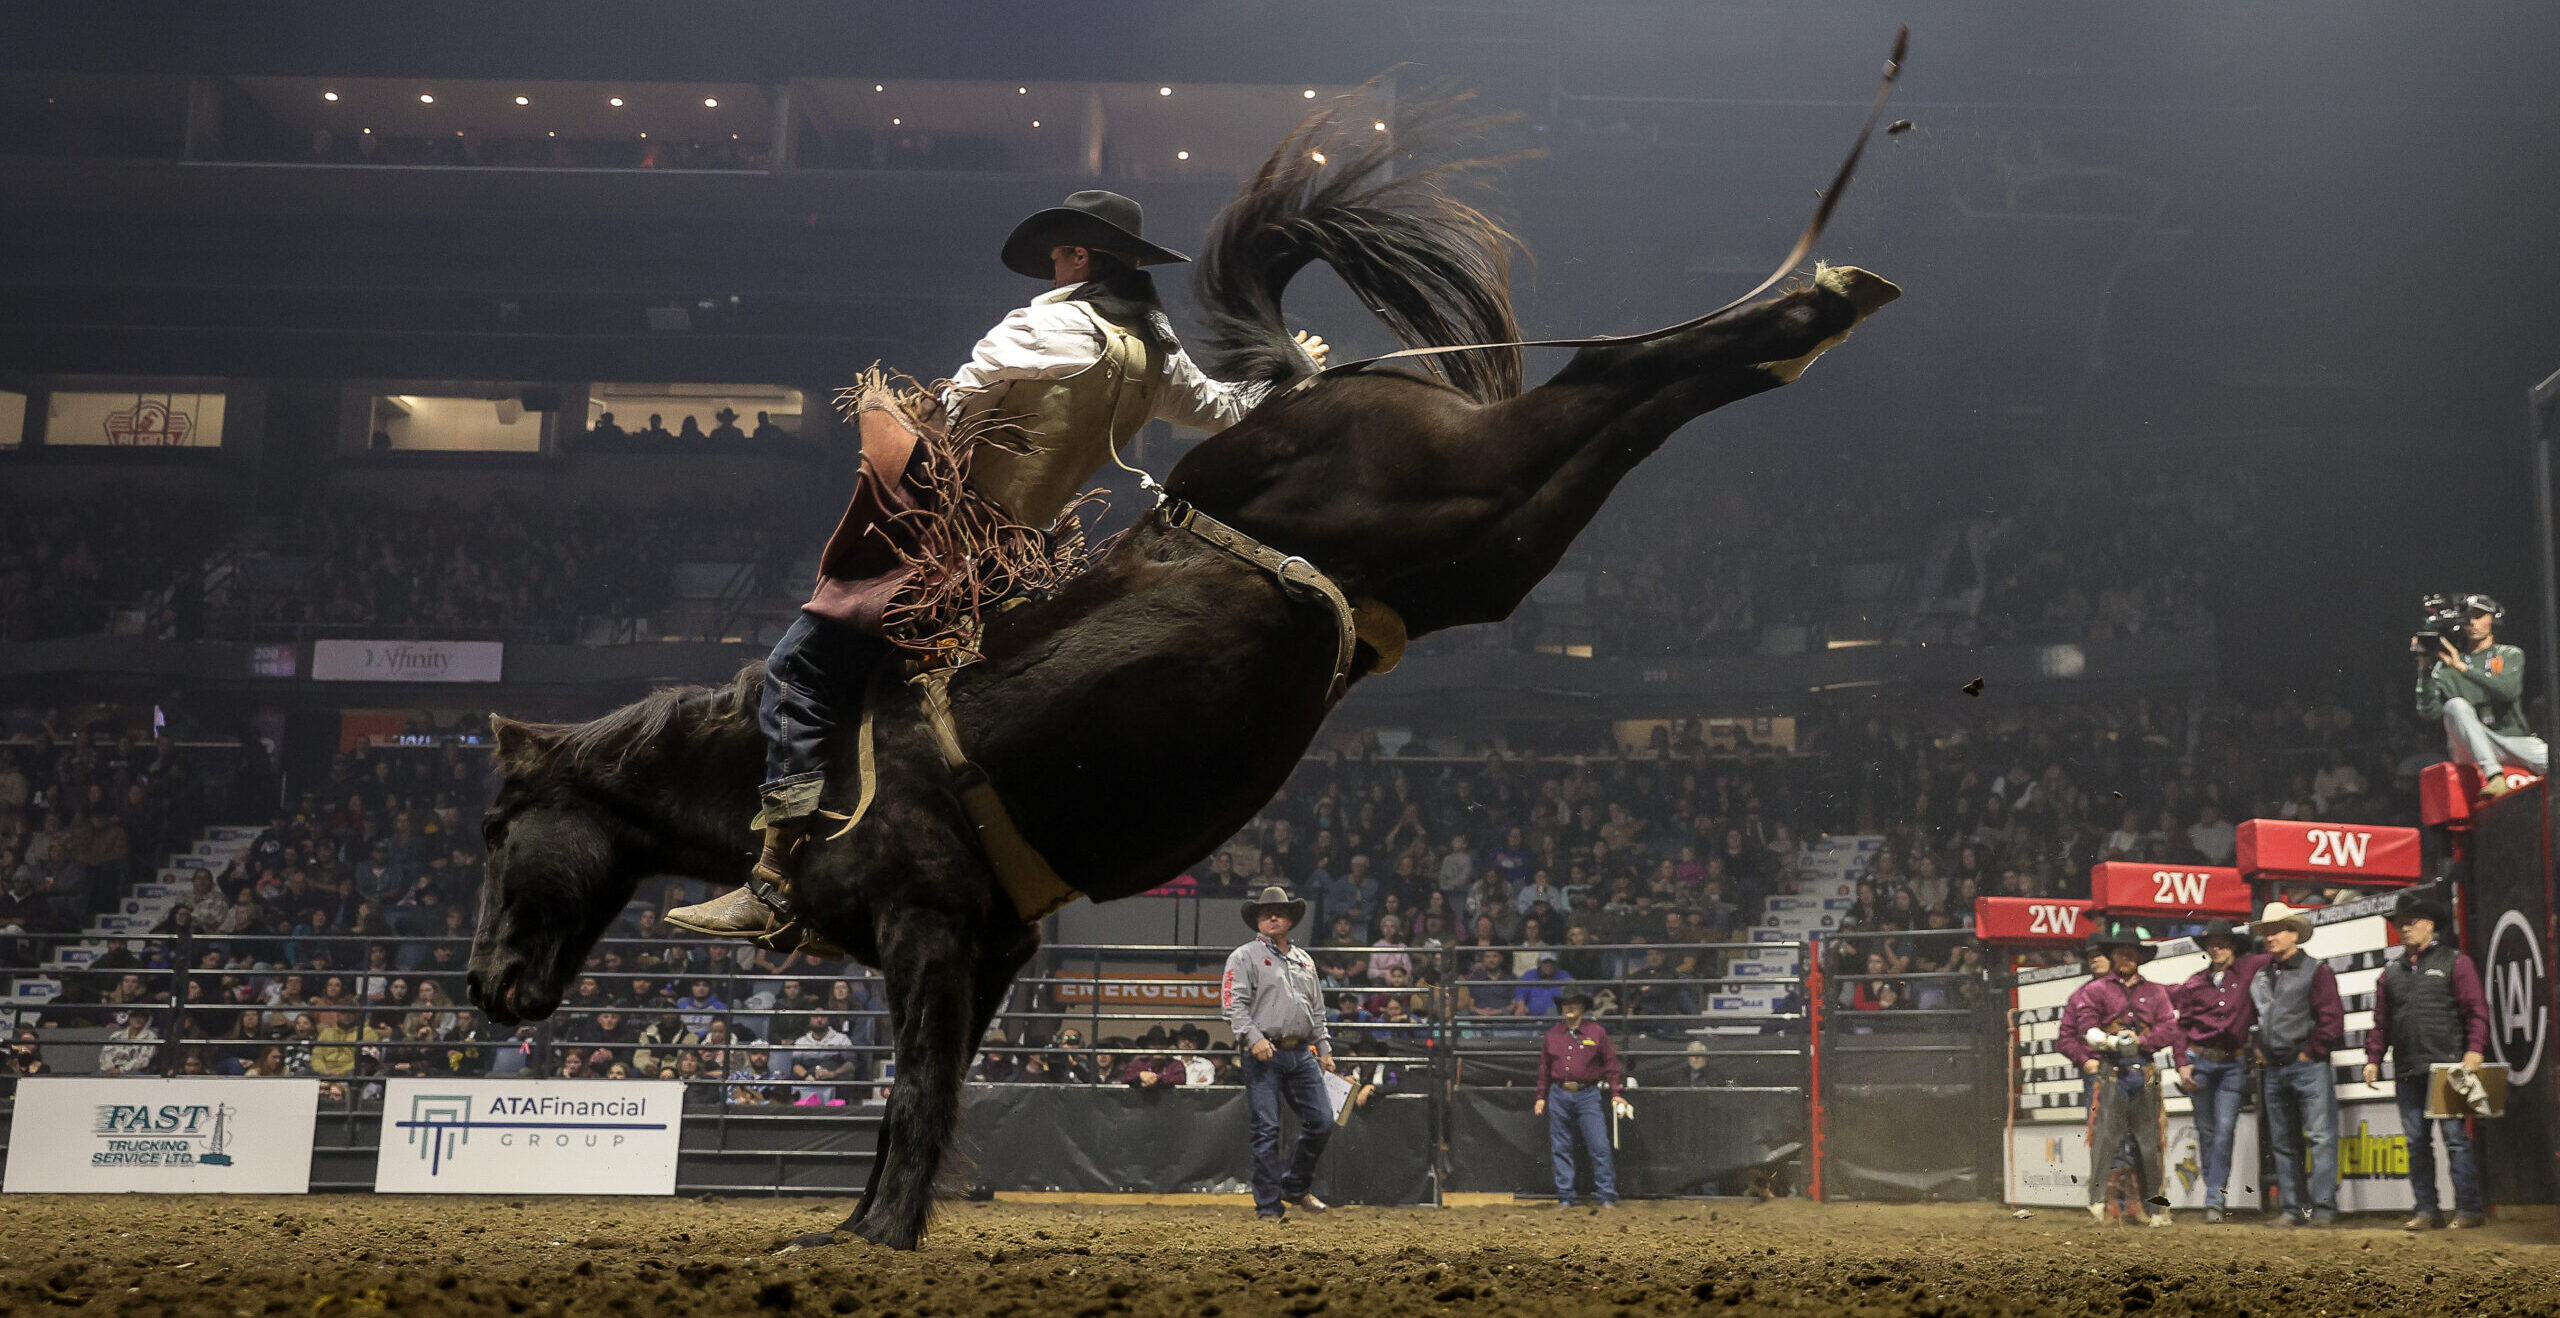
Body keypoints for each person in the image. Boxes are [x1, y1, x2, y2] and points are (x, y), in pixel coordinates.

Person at [670, 189, 1329, 944]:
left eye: (1058, 256)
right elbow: (1226, 410)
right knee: (903, 710)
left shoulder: (1041, 324)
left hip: (947, 552)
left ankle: (775, 880)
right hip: (1026, 569)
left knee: (799, 673)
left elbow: (951, 411)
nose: (1051, 269)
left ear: (1079, 256)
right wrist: (1288, 373)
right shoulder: (1154, 350)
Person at [2363, 889, 2491, 1229]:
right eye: (2401, 924)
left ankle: (2469, 1209)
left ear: (2431, 925)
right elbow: (2382, 1023)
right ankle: (2427, 1210)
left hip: (2449, 1066)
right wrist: (2373, 1057)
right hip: (2408, 1067)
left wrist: (2474, 1049)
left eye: (2412, 922)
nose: (2404, 928)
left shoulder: (2455, 962)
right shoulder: (2392, 973)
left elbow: (2476, 1011)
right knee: (2416, 1142)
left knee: (2455, 1140)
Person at [1220, 884, 1336, 1221]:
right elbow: (1233, 1005)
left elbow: (1316, 1008)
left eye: (1279, 912)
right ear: (1258, 919)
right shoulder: (1243, 957)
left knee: (1321, 1121)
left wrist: (1324, 1046)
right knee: (1266, 1128)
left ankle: (1295, 1185)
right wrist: (1254, 1038)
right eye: (1266, 912)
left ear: (1289, 920)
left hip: (1300, 1051)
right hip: (1263, 1051)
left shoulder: (1304, 960)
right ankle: (1269, 1206)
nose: (1273, 916)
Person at [2055, 921, 2180, 1227]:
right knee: (2106, 1139)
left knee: (2148, 1143)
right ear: (2113, 956)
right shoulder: (2096, 990)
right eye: (2121, 953)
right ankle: (2101, 1203)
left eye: (2132, 953)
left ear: (2139, 956)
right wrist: (2113, 1042)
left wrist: (2141, 1041)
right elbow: (2086, 1027)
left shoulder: (2154, 992)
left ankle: (2153, 1208)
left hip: (2141, 1071)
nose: (2127, 958)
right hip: (2111, 1071)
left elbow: (2169, 1027)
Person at [2248, 900, 2345, 1227]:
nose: (2269, 938)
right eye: (2266, 933)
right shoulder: (2263, 975)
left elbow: (2331, 1021)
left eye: (2275, 931)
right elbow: (2255, 1018)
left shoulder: (2316, 970)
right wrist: (2259, 1047)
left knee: (2317, 1137)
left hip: (2306, 1066)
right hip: (2276, 1068)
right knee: (2285, 1141)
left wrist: (2309, 1052)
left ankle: (2321, 1208)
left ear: (2293, 934)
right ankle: (2294, 1209)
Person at [2171, 919, 2263, 1223]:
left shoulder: (2248, 969)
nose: (2217, 948)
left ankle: (2214, 1198)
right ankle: (2214, 1195)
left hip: (2233, 1063)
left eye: (2223, 942)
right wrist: (2182, 1064)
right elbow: (2181, 1028)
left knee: (2222, 1131)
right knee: (2209, 1131)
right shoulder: (2195, 983)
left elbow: (2275, 953)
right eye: (2212, 943)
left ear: (2233, 945)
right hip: (2200, 1062)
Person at [2415, 593, 2547, 787]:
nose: (2473, 623)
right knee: (2456, 705)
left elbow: (2508, 691)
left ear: (2492, 618)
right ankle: (2494, 777)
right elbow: (2430, 712)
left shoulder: (2509, 654)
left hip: (2509, 743)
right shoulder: (2446, 666)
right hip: (2469, 748)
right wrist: (2424, 668)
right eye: (2468, 618)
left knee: (2550, 756)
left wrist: (2464, 669)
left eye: (2478, 616)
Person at [1534, 989, 1629, 1208]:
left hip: (1587, 1093)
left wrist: (1616, 1092)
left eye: (1574, 1004)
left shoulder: (1596, 1032)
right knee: (1561, 1146)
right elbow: (1544, 1068)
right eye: (1566, 1004)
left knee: (1599, 1146)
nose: (1569, 1007)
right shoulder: (1553, 1035)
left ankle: (1606, 1195)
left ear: (1582, 1007)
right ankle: (1567, 1196)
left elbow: (1611, 1065)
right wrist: (1541, 1096)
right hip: (1560, 1093)